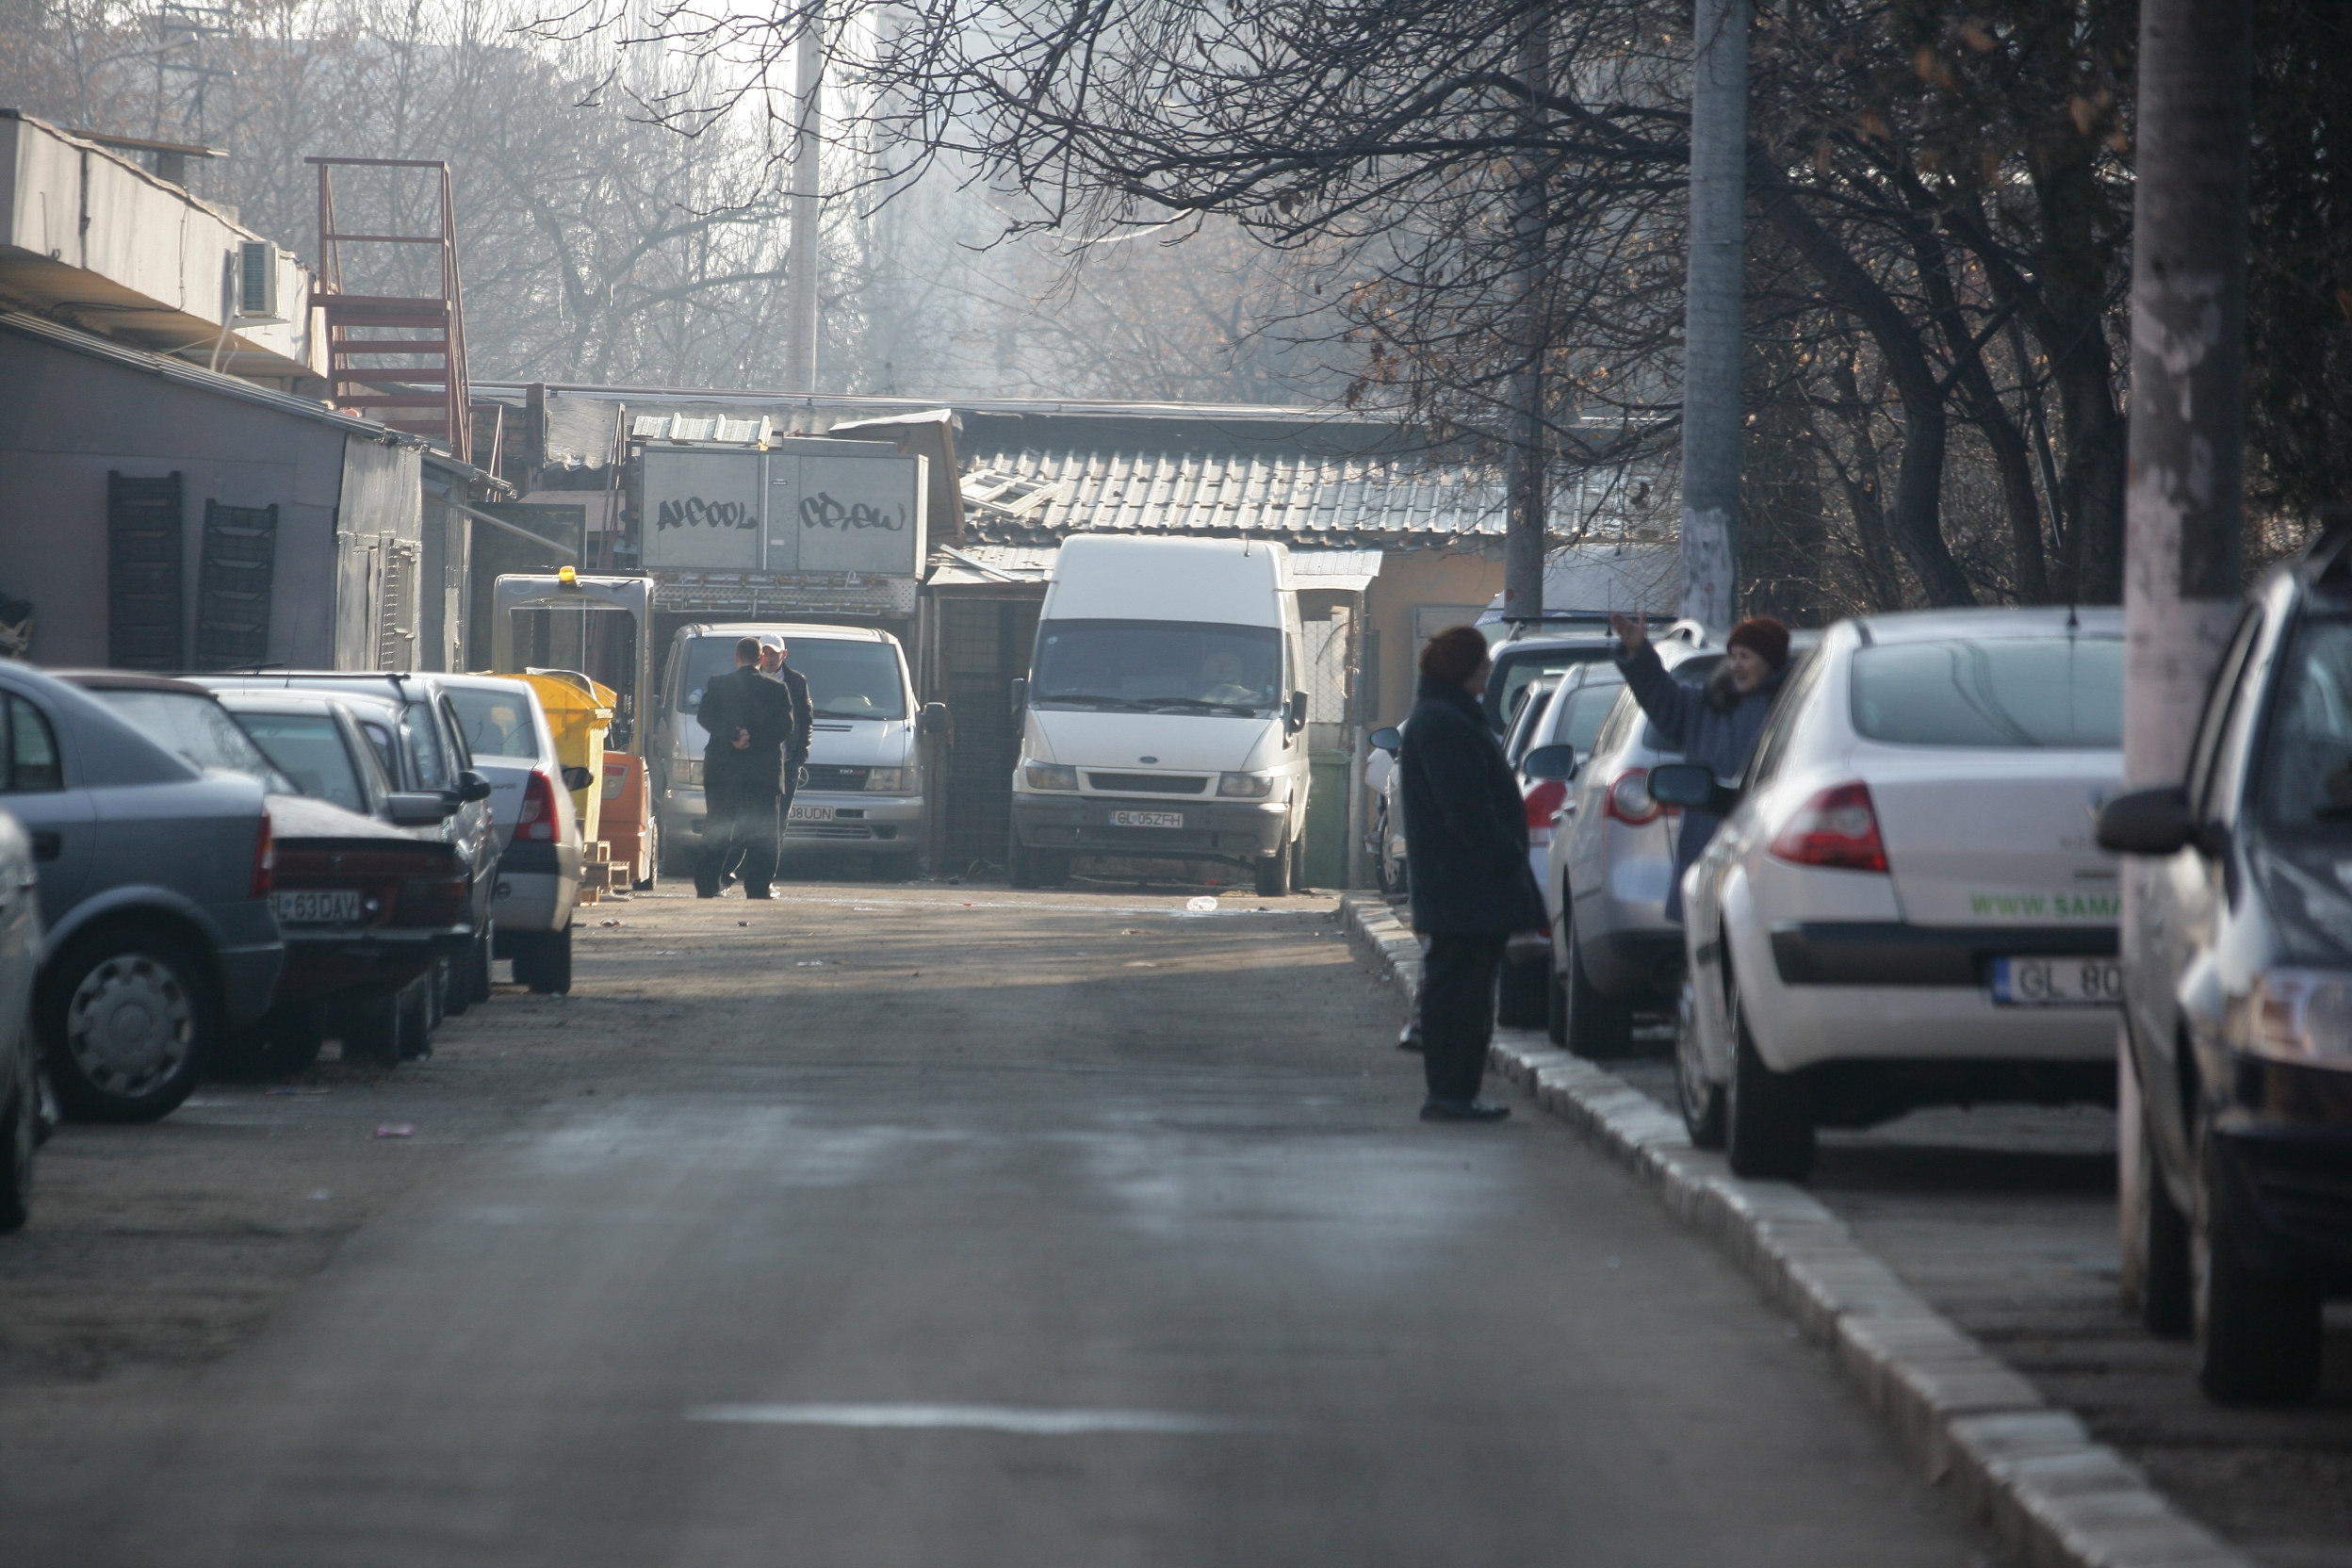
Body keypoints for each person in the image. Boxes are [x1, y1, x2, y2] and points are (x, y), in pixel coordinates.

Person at [1397, 625, 1546, 1123]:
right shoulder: (1446, 724)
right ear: (1462, 671)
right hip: (1464, 888)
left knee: (1465, 993)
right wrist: (1506, 855)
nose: (1486, 672)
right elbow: (1467, 811)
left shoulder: (1444, 717)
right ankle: (1450, 1093)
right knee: (1461, 997)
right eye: (1481, 664)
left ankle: (1457, 1091)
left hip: (1461, 887)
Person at [1607, 611, 1792, 920]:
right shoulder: (1706, 706)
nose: (1735, 666)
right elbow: (1659, 695)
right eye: (1732, 656)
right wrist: (1639, 654)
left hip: (1767, 852)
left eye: (1745, 656)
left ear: (1769, 661)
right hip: (1706, 855)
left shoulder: (1790, 710)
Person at [694, 636, 797, 899]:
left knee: (718, 826)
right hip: (762, 772)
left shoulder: (718, 684)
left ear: (737, 656)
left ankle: (707, 885)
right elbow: (786, 727)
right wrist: (754, 739)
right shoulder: (776, 689)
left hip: (723, 770)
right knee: (762, 831)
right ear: (761, 658)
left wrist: (733, 735)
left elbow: (705, 716)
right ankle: (758, 887)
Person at [722, 636, 813, 888]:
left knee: (776, 826)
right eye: (767, 653)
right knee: (742, 822)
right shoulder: (746, 681)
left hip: (783, 766)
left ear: (784, 654)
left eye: (775, 654)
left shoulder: (796, 682)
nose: (771, 659)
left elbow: (805, 721)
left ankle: (763, 880)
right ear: (760, 656)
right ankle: (726, 874)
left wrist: (798, 758)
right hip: (750, 766)